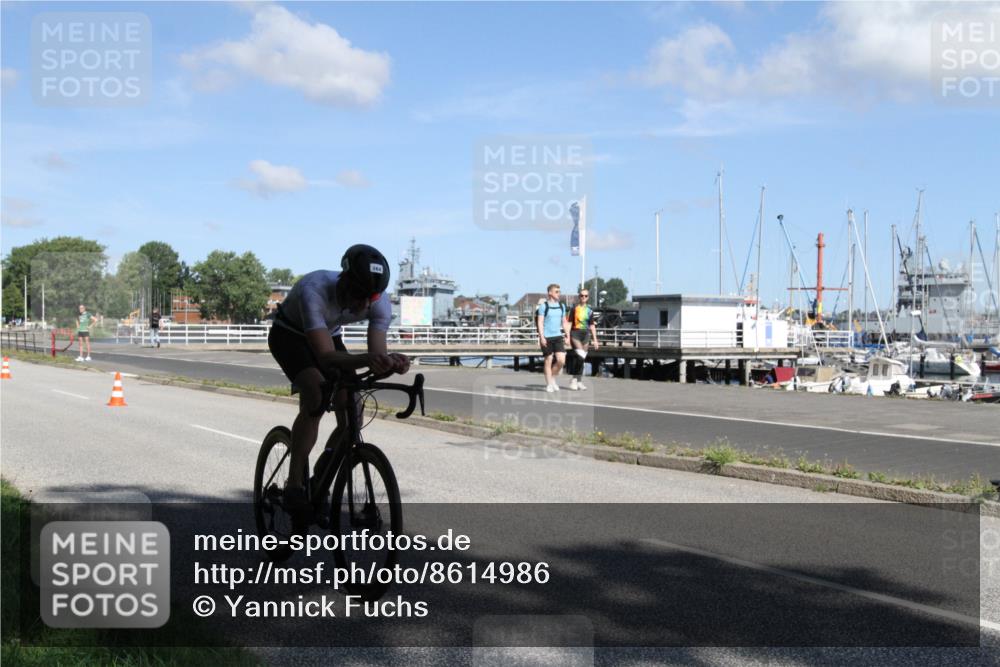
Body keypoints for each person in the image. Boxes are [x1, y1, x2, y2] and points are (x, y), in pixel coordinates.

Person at [267, 244, 410, 512]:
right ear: (344, 280)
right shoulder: (314, 291)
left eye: (371, 297)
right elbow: (325, 357)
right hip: (289, 335)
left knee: (353, 408)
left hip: (328, 335)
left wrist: (392, 363)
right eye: (358, 295)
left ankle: (321, 476)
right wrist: (371, 360)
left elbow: (375, 356)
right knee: (315, 393)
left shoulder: (378, 302)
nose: (363, 305)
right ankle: (295, 483)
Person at [535, 283, 570, 392]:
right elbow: (540, 322)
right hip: (546, 337)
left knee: (561, 360)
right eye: (556, 292)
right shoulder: (543, 306)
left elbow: (564, 322)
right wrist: (542, 337)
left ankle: (552, 378)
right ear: (550, 293)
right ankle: (549, 384)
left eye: (559, 292)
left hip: (558, 336)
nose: (559, 294)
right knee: (548, 360)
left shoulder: (562, 306)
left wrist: (567, 335)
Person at [567, 288, 599, 390]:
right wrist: (567, 336)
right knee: (580, 355)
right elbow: (569, 323)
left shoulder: (590, 311)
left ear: (588, 297)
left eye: (585, 296)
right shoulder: (574, 309)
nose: (583, 297)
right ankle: (574, 380)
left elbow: (592, 325)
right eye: (581, 295)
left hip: (585, 334)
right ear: (579, 297)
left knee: (582, 357)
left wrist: (595, 339)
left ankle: (579, 381)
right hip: (575, 333)